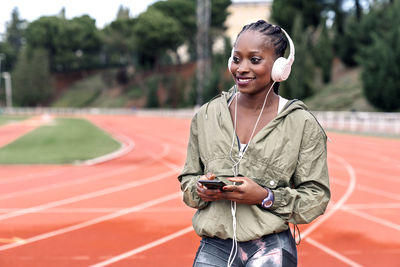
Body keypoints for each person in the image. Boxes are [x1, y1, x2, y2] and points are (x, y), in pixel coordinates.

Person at [178, 19, 330, 267]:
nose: (242, 68)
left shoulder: (302, 123)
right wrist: (200, 189)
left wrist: (265, 197)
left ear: (280, 67)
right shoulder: (206, 116)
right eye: (237, 59)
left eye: (255, 60)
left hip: (270, 246)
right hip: (215, 245)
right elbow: (188, 181)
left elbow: (316, 198)